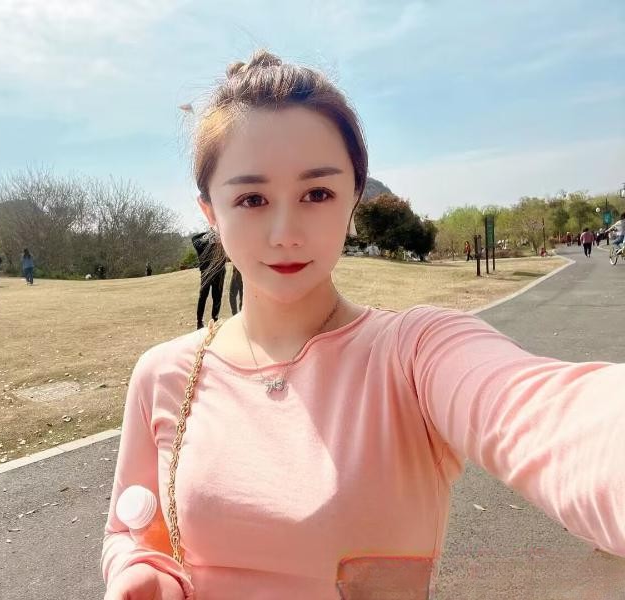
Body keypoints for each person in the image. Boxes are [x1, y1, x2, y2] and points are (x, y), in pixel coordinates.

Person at [101, 51, 625, 600]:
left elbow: (550, 416)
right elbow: (130, 533)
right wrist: (139, 573)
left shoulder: (413, 354)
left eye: (317, 194)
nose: (285, 233)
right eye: (252, 199)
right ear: (211, 213)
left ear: (352, 199)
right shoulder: (164, 375)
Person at [191, 230, 226, 329]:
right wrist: (209, 235)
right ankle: (200, 322)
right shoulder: (203, 243)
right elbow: (194, 238)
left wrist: (216, 235)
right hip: (207, 272)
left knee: (216, 297)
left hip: (219, 272)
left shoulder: (222, 238)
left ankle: (214, 320)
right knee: (204, 297)